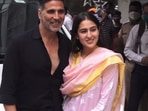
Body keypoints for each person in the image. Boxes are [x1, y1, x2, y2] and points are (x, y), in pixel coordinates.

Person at [0, 0, 71, 111]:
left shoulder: (67, 45)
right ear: (39, 14)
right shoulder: (19, 45)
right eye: (51, 11)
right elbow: (7, 93)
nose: (56, 17)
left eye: (60, 11)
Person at [60, 12, 125, 111]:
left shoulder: (108, 60)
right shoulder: (73, 58)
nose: (89, 35)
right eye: (83, 31)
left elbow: (106, 101)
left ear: (98, 31)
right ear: (77, 35)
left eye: (93, 30)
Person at [118, 1, 143, 110]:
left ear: (140, 12)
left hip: (142, 65)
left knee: (143, 98)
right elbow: (119, 45)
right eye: (131, 10)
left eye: (136, 10)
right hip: (128, 65)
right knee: (128, 93)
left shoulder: (144, 27)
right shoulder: (125, 27)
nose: (133, 13)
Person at [124, 2, 148, 111]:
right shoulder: (138, 29)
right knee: (133, 103)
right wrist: (141, 59)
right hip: (140, 71)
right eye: (146, 13)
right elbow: (127, 50)